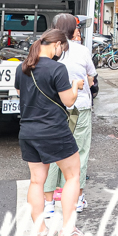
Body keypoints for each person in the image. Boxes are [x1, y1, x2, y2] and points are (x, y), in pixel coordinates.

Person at [16, 29, 90, 236]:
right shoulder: (58, 69)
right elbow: (68, 101)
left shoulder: (23, 68)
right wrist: (75, 86)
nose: (61, 53)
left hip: (28, 131)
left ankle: (39, 232)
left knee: (36, 181)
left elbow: (22, 95)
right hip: (54, 131)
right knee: (72, 176)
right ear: (56, 44)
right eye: (62, 48)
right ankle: (68, 229)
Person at [42, 14, 97, 220]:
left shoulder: (47, 50)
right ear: (72, 29)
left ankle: (48, 203)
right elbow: (91, 76)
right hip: (80, 107)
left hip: (54, 109)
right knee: (79, 153)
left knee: (53, 153)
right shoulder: (81, 51)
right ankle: (76, 199)